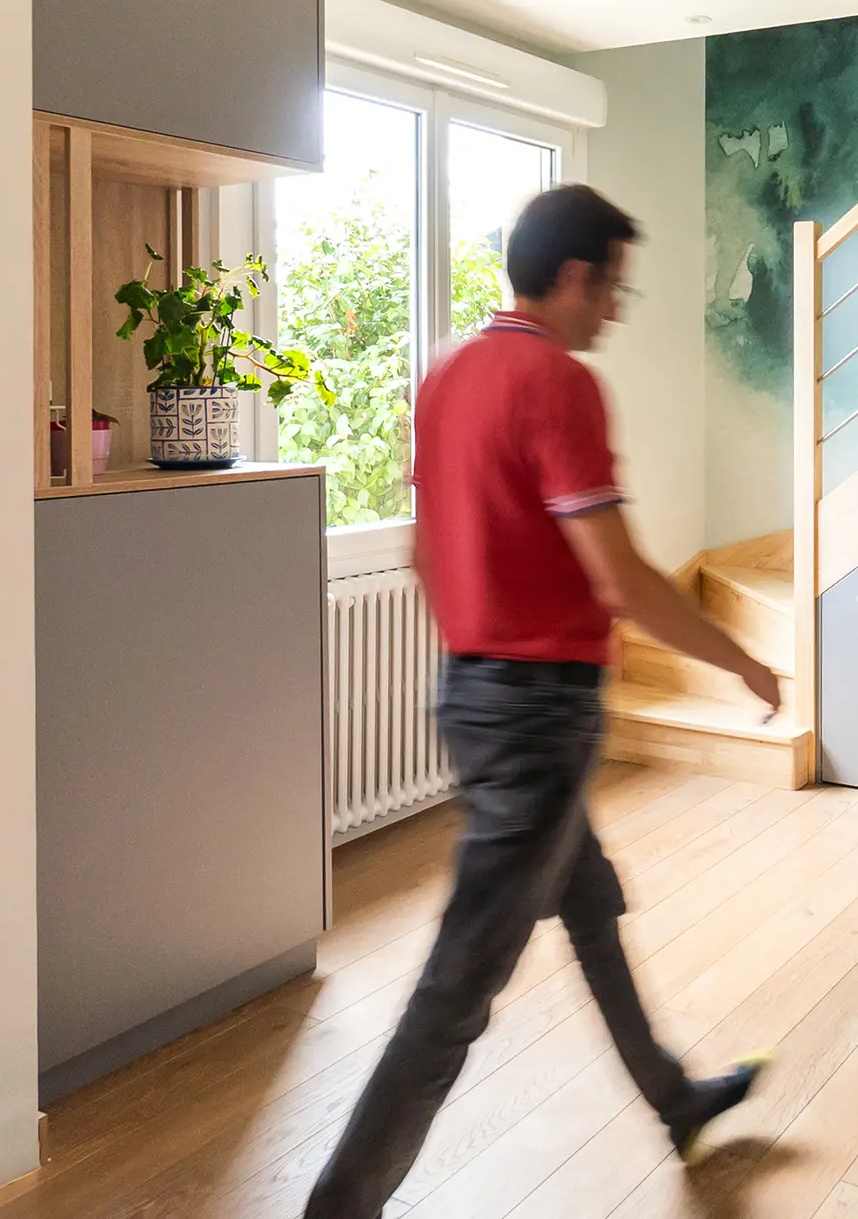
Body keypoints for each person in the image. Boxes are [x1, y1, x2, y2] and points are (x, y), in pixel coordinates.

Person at [305, 183, 780, 1219]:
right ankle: (338, 1206)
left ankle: (676, 1098)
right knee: (458, 987)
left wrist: (484, 662)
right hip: (538, 721)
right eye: (615, 285)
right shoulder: (557, 384)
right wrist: (737, 657)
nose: (616, 307)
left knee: (592, 912)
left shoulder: (447, 376)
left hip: (477, 697)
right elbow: (619, 578)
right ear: (575, 276)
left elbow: (426, 553)